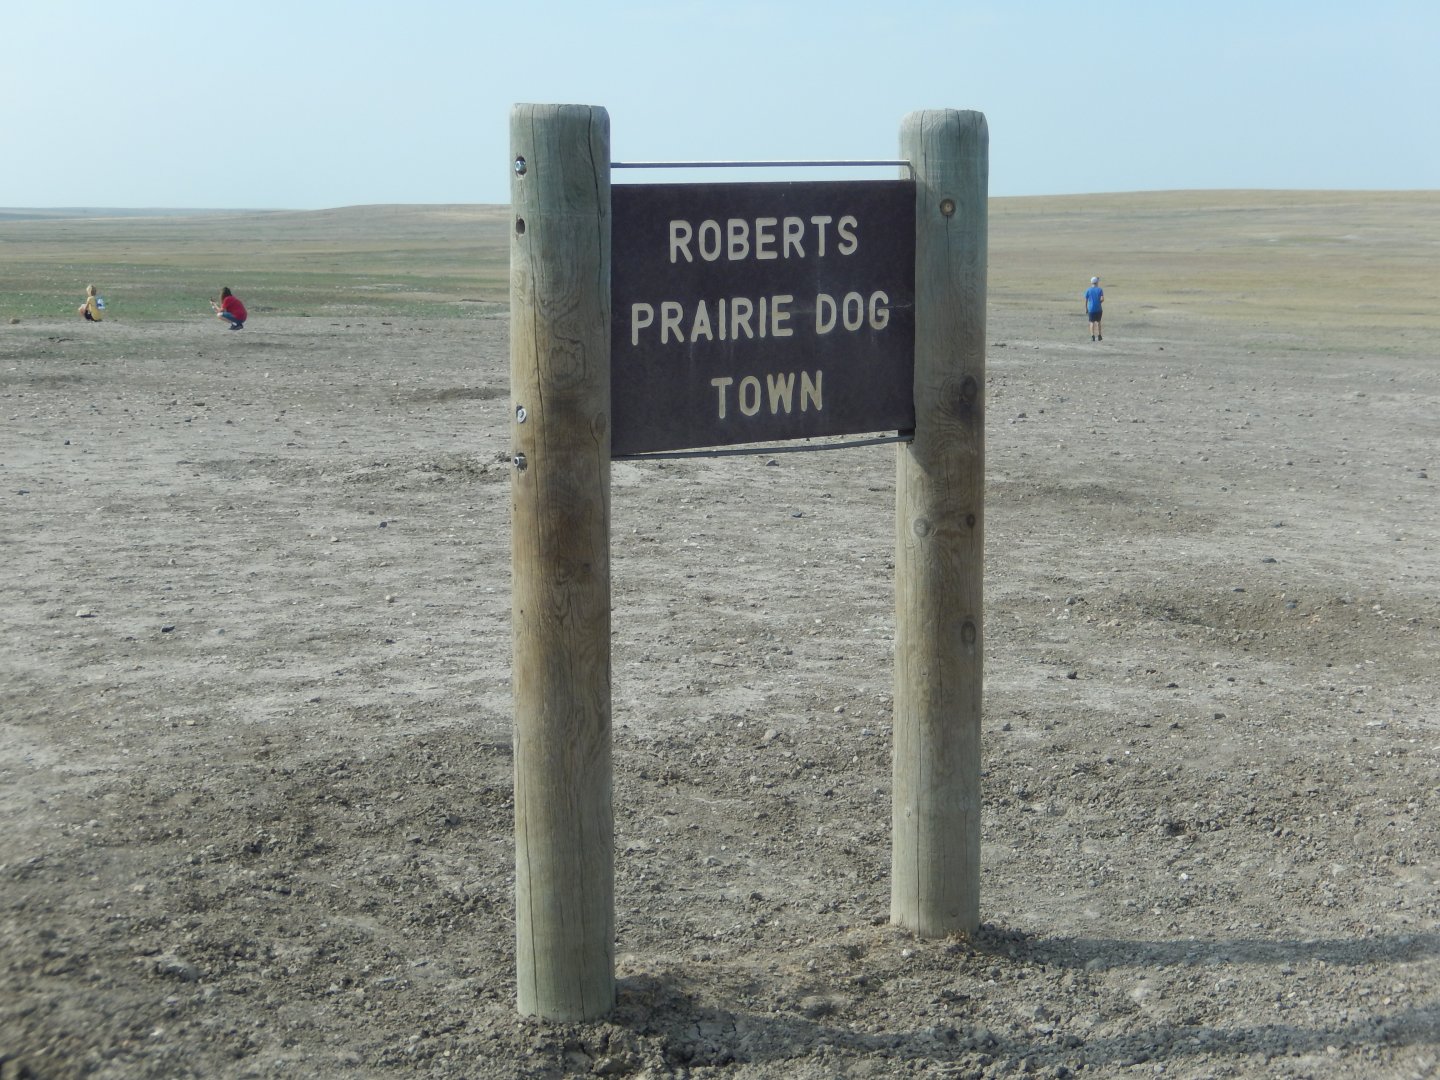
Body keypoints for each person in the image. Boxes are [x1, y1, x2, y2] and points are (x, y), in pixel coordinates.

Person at [1085, 276, 1104, 341]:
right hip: (1099, 309)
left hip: (1091, 309)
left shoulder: (1088, 290)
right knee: (1098, 322)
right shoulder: (1100, 290)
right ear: (1096, 282)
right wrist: (1099, 302)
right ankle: (1099, 335)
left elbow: (1086, 300)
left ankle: (1092, 336)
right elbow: (1102, 299)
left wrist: (1086, 308)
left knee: (1091, 322)